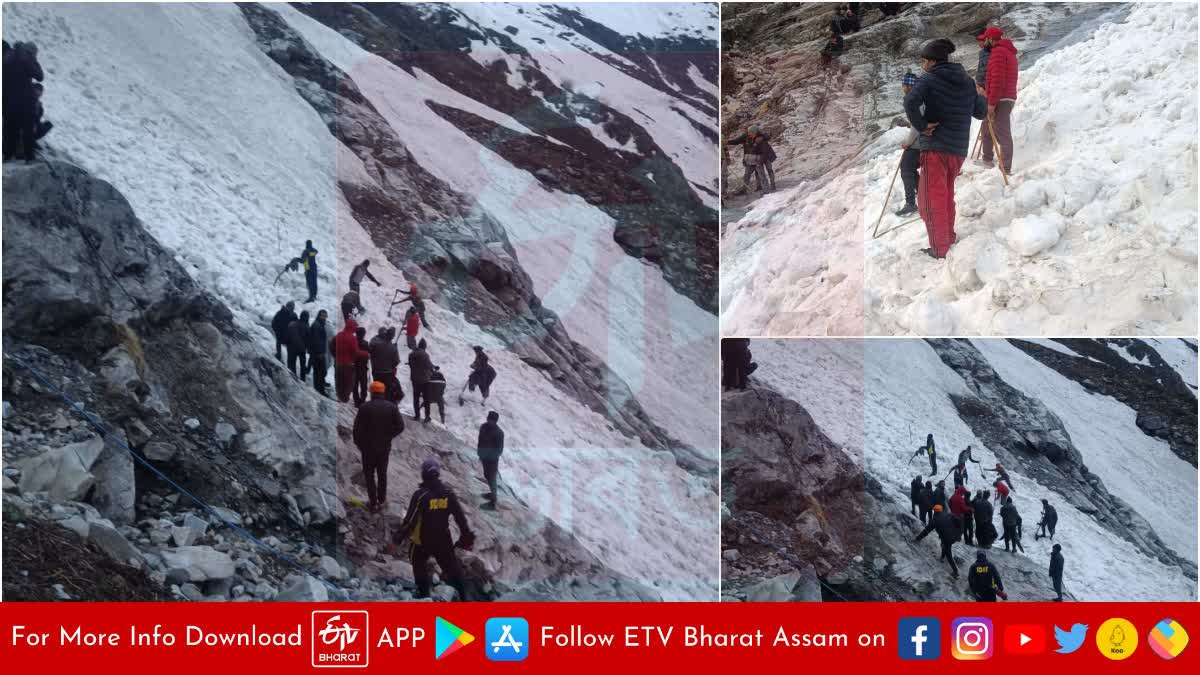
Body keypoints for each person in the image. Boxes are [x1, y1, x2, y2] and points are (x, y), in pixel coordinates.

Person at [903, 38, 987, 258]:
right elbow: (980, 112)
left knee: (930, 200)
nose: (922, 65)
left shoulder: (929, 79)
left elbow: (910, 102)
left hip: (936, 147)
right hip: (958, 150)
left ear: (932, 61)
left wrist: (921, 126)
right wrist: (982, 96)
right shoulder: (967, 81)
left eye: (924, 61)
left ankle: (939, 249)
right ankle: (947, 237)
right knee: (945, 194)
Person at [393, 459, 474, 600]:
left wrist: (397, 539)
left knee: (417, 561)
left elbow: (410, 521)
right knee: (452, 568)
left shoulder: (421, 495)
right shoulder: (448, 493)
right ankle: (464, 598)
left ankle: (423, 593)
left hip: (423, 541)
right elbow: (460, 517)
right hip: (444, 539)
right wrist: (467, 537)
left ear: (423, 474)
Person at [353, 381, 404, 513]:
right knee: (382, 474)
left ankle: (373, 502)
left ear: (371, 392)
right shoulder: (392, 407)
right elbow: (400, 427)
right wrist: (389, 436)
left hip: (367, 448)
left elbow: (357, 430)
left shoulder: (364, 407)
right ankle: (382, 501)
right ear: (383, 392)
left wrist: (360, 445)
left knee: (369, 475)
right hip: (384, 447)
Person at [979, 26, 1018, 174]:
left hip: (1000, 98)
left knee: (1003, 132)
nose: (984, 41)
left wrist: (991, 103)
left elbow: (997, 80)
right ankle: (988, 159)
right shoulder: (1007, 52)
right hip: (1005, 96)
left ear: (990, 39)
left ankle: (1005, 168)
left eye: (986, 38)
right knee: (987, 127)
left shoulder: (998, 52)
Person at [2, 41, 44, 162]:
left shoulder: (8, 57)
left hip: (8, 100)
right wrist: (34, 60)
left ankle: (7, 155)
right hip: (25, 102)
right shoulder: (27, 59)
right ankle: (29, 156)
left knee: (10, 128)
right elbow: (40, 76)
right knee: (28, 129)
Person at [896, 72, 921, 216]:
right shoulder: (919, 96)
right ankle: (920, 191)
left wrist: (907, 142)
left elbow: (917, 126)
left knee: (906, 166)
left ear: (908, 86)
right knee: (909, 166)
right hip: (924, 138)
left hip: (922, 141)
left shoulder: (913, 100)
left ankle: (910, 203)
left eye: (904, 85)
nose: (902, 87)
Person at [726, 125, 776, 194]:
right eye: (748, 132)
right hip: (750, 160)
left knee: (763, 173)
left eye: (750, 132)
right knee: (747, 175)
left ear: (755, 132)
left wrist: (760, 162)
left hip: (759, 159)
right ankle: (745, 189)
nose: (748, 134)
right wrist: (727, 142)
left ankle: (768, 188)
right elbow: (736, 141)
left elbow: (764, 153)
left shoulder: (761, 139)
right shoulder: (746, 137)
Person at [914, 504, 960, 578]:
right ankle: (942, 557)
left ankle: (956, 572)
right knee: (943, 544)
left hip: (947, 538)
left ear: (934, 511)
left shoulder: (935, 520)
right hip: (954, 536)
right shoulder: (947, 514)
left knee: (948, 553)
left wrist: (918, 538)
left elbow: (926, 531)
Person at [332, 318, 368, 403]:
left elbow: (331, 345)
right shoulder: (352, 338)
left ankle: (339, 398)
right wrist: (366, 354)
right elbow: (356, 352)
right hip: (348, 365)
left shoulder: (339, 335)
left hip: (338, 363)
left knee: (340, 381)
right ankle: (344, 400)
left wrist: (335, 355)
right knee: (348, 384)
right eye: (355, 326)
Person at [477, 411, 505, 511]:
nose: (489, 421)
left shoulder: (499, 433)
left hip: (492, 460)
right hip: (484, 457)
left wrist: (489, 457)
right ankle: (492, 494)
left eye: (491, 420)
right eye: (488, 419)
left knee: (492, 478)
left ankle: (493, 502)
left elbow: (499, 450)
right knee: (486, 475)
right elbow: (480, 440)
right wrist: (480, 453)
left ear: (495, 421)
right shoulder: (483, 427)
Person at [369, 327, 404, 404]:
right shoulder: (393, 348)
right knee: (387, 392)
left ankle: (375, 405)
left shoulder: (376, 344)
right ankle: (385, 407)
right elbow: (396, 362)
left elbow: (371, 352)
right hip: (388, 373)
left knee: (377, 390)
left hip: (376, 372)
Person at [306, 309, 331, 396]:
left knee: (321, 372)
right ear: (319, 316)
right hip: (317, 353)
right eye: (322, 316)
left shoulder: (319, 324)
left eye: (325, 316)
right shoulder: (317, 325)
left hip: (318, 352)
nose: (324, 317)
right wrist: (319, 353)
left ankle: (319, 388)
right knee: (319, 372)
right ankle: (319, 390)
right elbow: (316, 341)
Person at [408, 338, 433, 420]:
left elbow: (411, 365)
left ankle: (417, 415)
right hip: (425, 381)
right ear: (425, 346)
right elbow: (429, 366)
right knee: (426, 399)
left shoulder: (411, 354)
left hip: (415, 380)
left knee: (416, 398)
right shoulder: (425, 355)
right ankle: (427, 416)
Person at [285, 310, 310, 380]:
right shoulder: (307, 326)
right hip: (302, 349)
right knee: (302, 366)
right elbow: (309, 339)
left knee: (291, 365)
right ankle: (303, 380)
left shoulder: (292, 324)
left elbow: (287, 336)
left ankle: (292, 379)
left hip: (291, 349)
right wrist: (306, 347)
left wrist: (288, 344)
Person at [353, 326, 371, 408]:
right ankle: (363, 400)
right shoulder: (365, 343)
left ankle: (356, 401)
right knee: (363, 385)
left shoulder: (353, 342)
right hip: (363, 367)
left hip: (354, 367)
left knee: (355, 385)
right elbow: (369, 353)